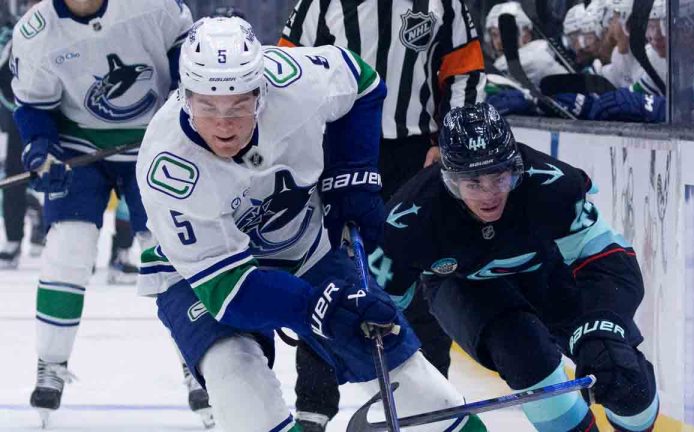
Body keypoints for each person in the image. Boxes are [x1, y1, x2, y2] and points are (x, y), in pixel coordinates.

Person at [137, 16, 487, 432]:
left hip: (305, 248)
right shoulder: (169, 167)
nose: (223, 125)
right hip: (203, 279)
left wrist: (351, 181)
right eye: (207, 107)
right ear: (185, 96)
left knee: (421, 390)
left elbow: (364, 82)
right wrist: (322, 309)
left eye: (238, 106)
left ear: (261, 91)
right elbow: (231, 292)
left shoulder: (295, 81)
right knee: (238, 380)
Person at [375, 102, 660, 432]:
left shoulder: (554, 184)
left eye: (500, 176)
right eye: (473, 183)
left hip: (547, 273)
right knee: (524, 353)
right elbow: (377, 310)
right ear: (450, 181)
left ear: (516, 166)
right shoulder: (408, 220)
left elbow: (611, 260)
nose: (489, 195)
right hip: (463, 286)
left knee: (624, 378)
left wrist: (602, 326)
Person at [278, 0, 485, 428]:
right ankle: (313, 408)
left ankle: (432, 404)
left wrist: (451, 142)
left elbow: (464, 71)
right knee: (325, 273)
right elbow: (287, 69)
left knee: (424, 277)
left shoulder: (444, 4)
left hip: (417, 155)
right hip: (337, 151)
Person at [8, 0, 208, 426]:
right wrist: (40, 149)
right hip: (78, 145)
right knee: (68, 246)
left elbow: (188, 60)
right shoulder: (36, 31)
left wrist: (192, 122)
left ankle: (199, 359)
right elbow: (34, 107)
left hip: (156, 140)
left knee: (168, 252)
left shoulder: (151, 6)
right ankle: (51, 363)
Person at [0, 0, 45, 269]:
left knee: (61, 173)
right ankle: (13, 239)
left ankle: (53, 231)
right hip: (21, 115)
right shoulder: (13, 34)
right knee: (16, 174)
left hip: (60, 115)